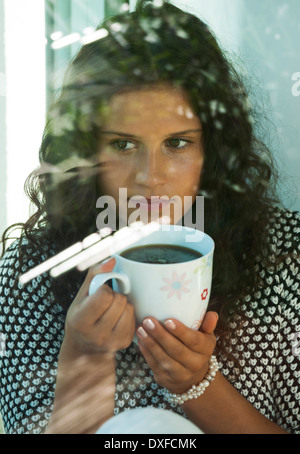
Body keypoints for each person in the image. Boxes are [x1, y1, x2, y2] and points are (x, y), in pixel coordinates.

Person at [0, 0, 299, 434]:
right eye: (123, 145)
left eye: (177, 144)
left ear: (213, 150)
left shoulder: (286, 259)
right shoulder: (30, 273)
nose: (150, 178)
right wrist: (84, 356)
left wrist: (199, 384)